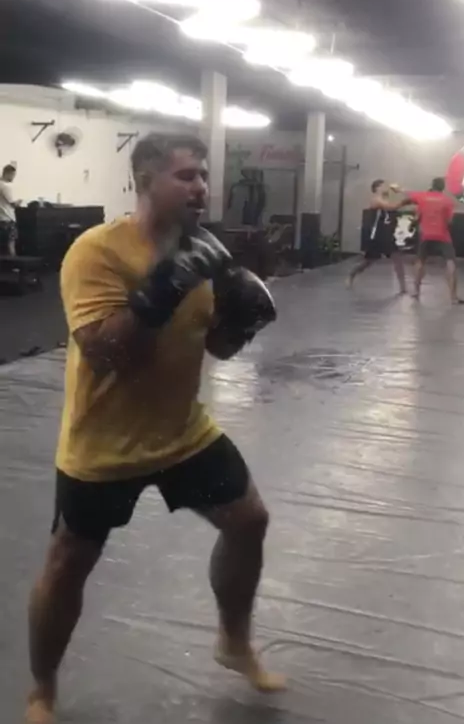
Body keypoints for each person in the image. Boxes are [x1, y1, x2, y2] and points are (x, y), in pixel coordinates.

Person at [26, 133, 284, 724]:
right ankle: (42, 690)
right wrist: (166, 285)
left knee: (249, 521)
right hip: (103, 444)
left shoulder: (205, 252)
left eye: (203, 176)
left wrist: (241, 321)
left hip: (182, 432)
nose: (201, 188)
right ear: (145, 181)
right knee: (67, 564)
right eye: (186, 176)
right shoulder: (96, 252)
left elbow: (215, 347)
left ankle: (234, 641)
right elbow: (106, 355)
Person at [404, 177, 464, 305]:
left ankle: (416, 291)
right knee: (450, 262)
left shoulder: (422, 197)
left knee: (420, 261)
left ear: (432, 185)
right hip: (442, 235)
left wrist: (413, 225)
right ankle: (453, 297)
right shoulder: (447, 201)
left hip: (425, 235)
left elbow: (416, 215)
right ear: (443, 187)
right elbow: (449, 222)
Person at [346, 179, 410, 291]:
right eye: (383, 186)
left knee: (397, 258)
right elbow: (391, 207)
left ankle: (403, 287)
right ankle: (352, 275)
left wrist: (401, 192)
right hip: (377, 235)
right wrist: (405, 201)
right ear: (377, 188)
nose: (387, 187)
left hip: (387, 235)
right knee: (368, 261)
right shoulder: (376, 200)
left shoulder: (386, 199)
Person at [0, 163, 19, 256]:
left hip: (1, 217)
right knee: (11, 243)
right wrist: (19, 202)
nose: (13, 177)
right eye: (13, 175)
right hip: (8, 218)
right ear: (8, 173)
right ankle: (13, 263)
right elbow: (12, 203)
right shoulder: (5, 187)